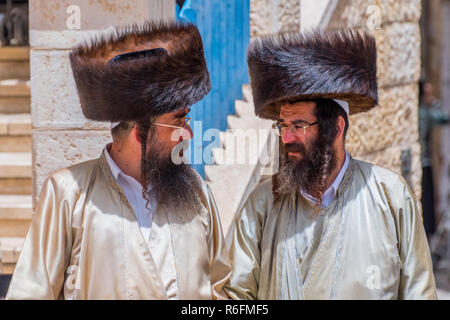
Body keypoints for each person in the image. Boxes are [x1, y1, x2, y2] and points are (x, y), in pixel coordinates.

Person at [7, 21, 231, 300]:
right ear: (141, 130)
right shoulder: (68, 193)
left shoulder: (196, 191)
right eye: (178, 121)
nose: (188, 133)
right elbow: (30, 293)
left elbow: (222, 290)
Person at [224, 30, 437, 299]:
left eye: (299, 125)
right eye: (282, 125)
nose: (286, 137)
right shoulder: (261, 207)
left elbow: (420, 291)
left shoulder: (391, 196)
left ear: (336, 128)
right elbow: (235, 297)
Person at [418, 81, 450, 238]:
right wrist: (434, 102)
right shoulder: (426, 112)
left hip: (419, 162)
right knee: (427, 203)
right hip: (423, 163)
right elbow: (445, 118)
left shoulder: (418, 111)